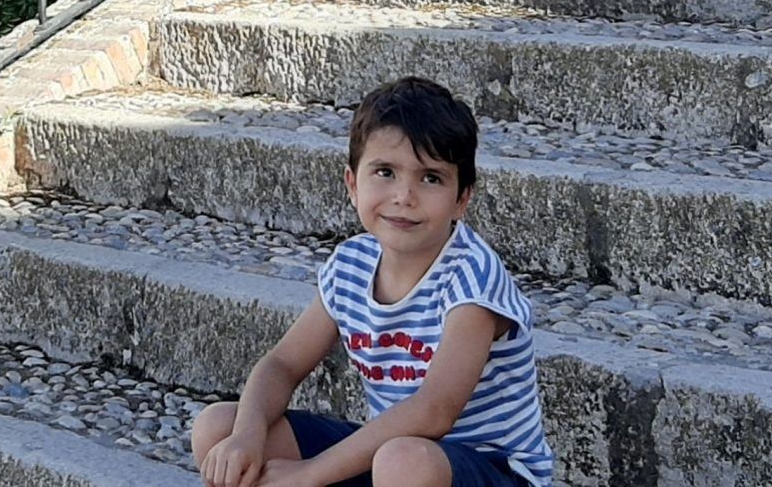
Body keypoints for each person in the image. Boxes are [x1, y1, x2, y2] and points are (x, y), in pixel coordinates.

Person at [190, 76, 555, 487]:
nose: (404, 196)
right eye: (385, 172)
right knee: (220, 427)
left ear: (462, 199)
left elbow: (435, 410)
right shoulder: (351, 265)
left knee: (404, 461)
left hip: (489, 470)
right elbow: (282, 364)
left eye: (431, 178)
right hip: (391, 460)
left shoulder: (472, 278)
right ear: (352, 184)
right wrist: (247, 437)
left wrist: (309, 474)